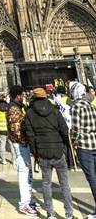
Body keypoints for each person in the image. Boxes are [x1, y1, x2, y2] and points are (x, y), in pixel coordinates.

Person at [25, 87, 74, 219]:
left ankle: (50, 214)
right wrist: (63, 144)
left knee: (46, 183)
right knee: (64, 183)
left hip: (42, 151)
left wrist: (35, 152)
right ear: (46, 96)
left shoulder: (29, 113)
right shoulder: (54, 110)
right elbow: (64, 130)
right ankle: (69, 214)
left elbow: (30, 135)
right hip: (57, 149)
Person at [7, 85, 37, 216]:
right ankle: (24, 204)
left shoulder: (16, 107)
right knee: (23, 173)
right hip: (20, 144)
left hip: (21, 143)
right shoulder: (13, 109)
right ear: (17, 95)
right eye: (22, 94)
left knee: (27, 171)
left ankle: (29, 200)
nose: (24, 96)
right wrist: (25, 142)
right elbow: (16, 129)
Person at [69, 82, 96, 219]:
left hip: (84, 145)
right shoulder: (90, 105)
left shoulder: (76, 106)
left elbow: (75, 129)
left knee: (92, 177)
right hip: (94, 142)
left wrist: (74, 141)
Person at [0, 93, 16, 165]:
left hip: (1, 129)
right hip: (9, 129)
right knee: (12, 144)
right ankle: (14, 160)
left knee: (2, 144)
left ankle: (3, 160)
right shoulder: (9, 107)